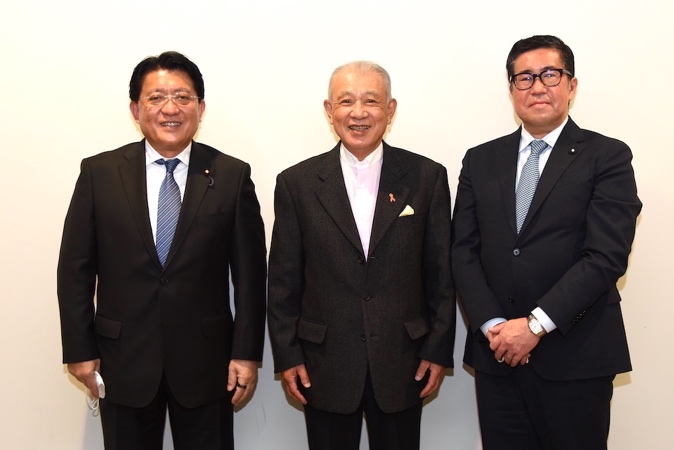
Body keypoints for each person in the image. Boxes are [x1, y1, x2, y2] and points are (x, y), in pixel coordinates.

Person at [57, 51, 267, 450]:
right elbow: (75, 271)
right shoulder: (99, 174)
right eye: (155, 98)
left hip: (208, 365)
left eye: (183, 97)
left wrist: (246, 354)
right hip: (122, 361)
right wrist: (79, 350)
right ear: (136, 109)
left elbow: (251, 276)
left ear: (200, 108)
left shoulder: (231, 175)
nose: (170, 108)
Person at [451, 35, 642, 449]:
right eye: (524, 77)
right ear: (511, 89)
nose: (537, 87)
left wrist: (536, 325)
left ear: (572, 87)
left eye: (550, 75)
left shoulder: (607, 157)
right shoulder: (480, 160)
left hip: (577, 356)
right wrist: (494, 328)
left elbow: (606, 257)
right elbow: (463, 252)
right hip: (497, 356)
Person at [267, 61, 455, 450]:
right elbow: (283, 279)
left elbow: (441, 274)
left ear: (391, 109)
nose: (358, 112)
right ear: (328, 110)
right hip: (323, 363)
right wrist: (287, 355)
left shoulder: (427, 177)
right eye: (346, 101)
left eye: (371, 101)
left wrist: (438, 349)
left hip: (405, 360)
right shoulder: (296, 184)